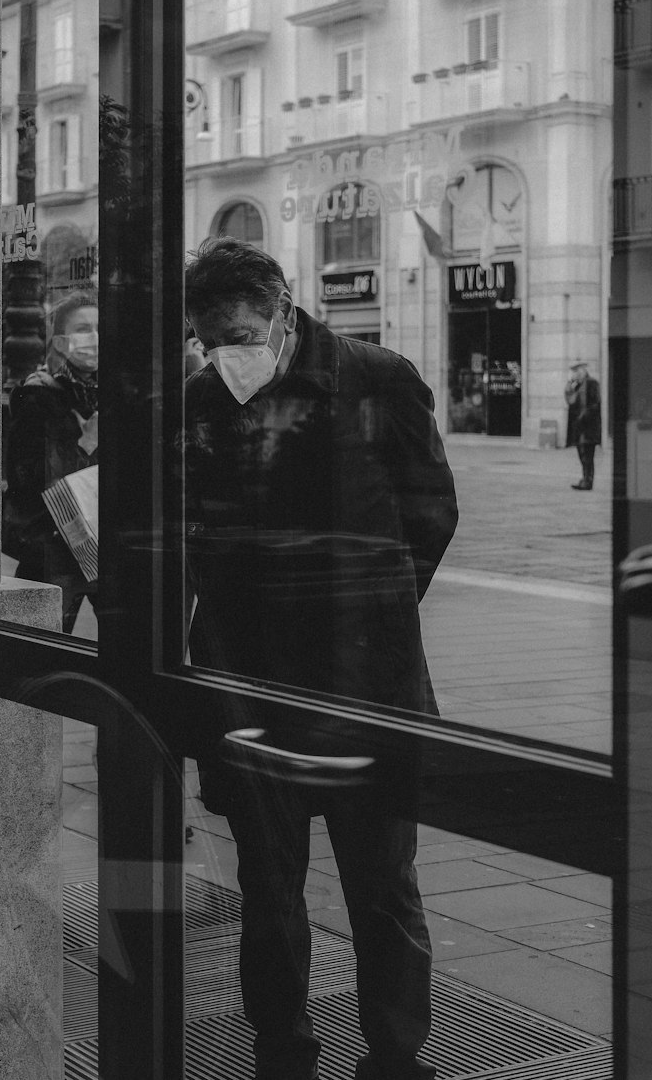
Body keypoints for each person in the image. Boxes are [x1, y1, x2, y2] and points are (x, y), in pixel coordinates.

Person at [181, 237, 458, 1080]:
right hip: (246, 687)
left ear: (282, 311)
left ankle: (397, 1059)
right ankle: (282, 1055)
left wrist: (366, 612)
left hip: (363, 686)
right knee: (268, 897)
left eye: (239, 332)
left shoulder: (377, 378)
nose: (226, 353)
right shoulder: (200, 397)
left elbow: (432, 514)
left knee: (384, 889)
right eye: (209, 339)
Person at [3, 291, 99, 633]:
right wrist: (86, 443)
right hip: (54, 549)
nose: (95, 338)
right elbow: (30, 480)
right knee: (43, 645)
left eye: (100, 328)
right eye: (84, 329)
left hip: (102, 542)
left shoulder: (113, 393)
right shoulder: (37, 396)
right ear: (60, 342)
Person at [565, 359, 602, 490]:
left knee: (588, 456)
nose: (574, 374)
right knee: (582, 454)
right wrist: (569, 384)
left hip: (589, 426)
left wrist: (584, 415)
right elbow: (570, 400)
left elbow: (596, 403)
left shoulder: (592, 383)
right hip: (579, 427)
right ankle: (584, 479)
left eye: (576, 371)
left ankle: (588, 481)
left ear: (582, 371)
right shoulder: (577, 386)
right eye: (572, 372)